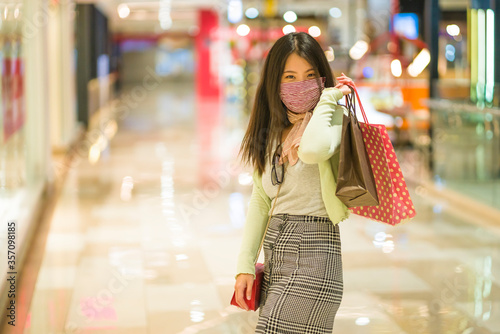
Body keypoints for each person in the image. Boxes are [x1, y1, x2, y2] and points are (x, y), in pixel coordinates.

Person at [233, 31, 354, 334]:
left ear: (322, 79)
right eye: (290, 76)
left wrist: (328, 99)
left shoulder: (332, 118)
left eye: (310, 76)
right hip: (276, 252)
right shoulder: (273, 131)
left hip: (316, 252)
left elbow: (313, 151)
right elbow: (261, 200)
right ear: (275, 82)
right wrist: (245, 266)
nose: (300, 85)